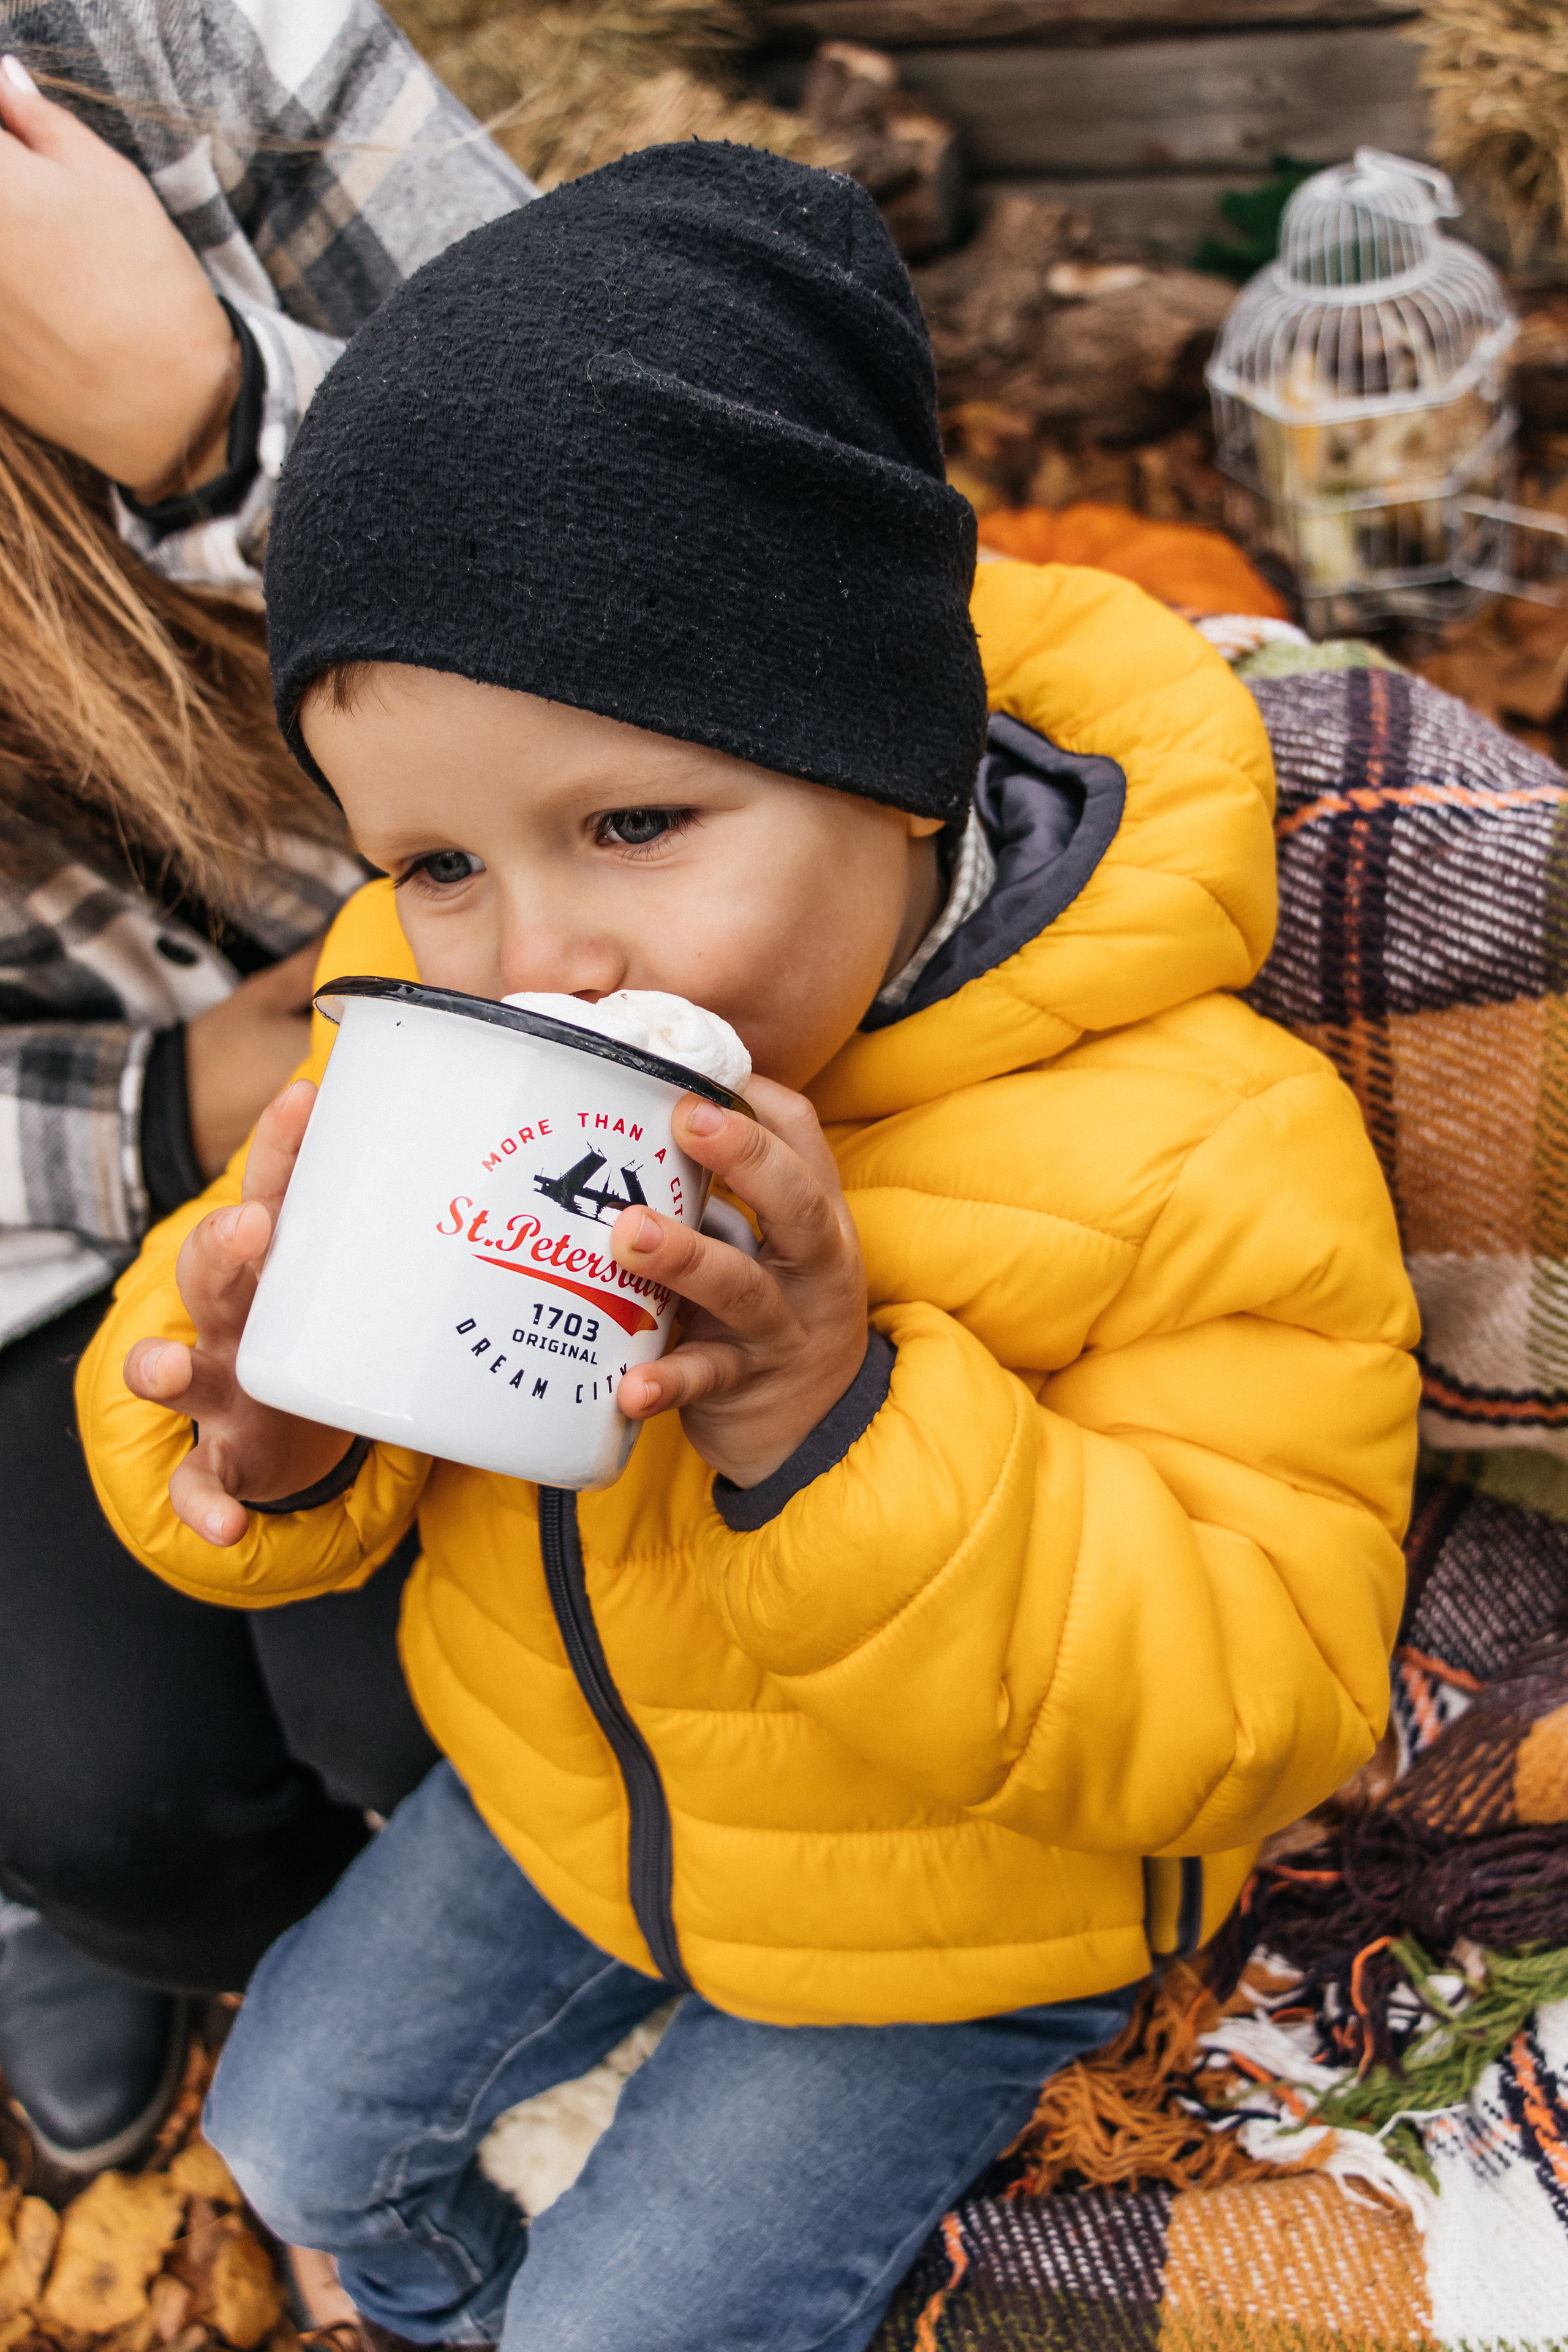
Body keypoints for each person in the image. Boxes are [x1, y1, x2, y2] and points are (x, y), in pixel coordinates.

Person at [79, 143, 1420, 2351]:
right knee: (301, 2139)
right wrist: (260, 1423)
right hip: (568, 1781)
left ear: (889, 756)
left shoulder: (1191, 1137)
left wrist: (840, 1411)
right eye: (436, 862)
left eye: (633, 823)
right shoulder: (432, 1016)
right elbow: (301, 1426)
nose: (544, 958)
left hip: (965, 1899)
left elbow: (1253, 1707)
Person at [0, 0, 530, 2172]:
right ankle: (149, 1935)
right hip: (50, 1154)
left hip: (502, 970)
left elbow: (703, 512)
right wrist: (153, 1114)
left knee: (411, 1679)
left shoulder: (149, 39)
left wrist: (218, 423)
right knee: (113, 1807)